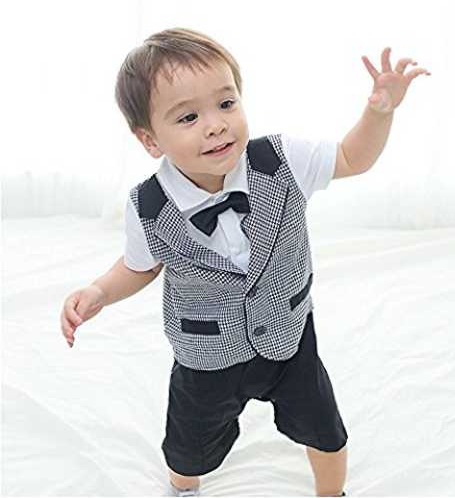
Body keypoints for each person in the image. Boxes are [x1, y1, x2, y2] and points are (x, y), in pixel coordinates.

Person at [60, 27, 430, 497]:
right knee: (188, 447)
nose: (216, 125)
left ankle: (331, 492)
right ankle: (183, 487)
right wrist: (99, 291)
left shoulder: (281, 159)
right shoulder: (148, 206)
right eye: (189, 116)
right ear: (150, 140)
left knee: (324, 428)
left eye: (226, 103)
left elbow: (351, 158)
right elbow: (139, 266)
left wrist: (379, 112)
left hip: (288, 335)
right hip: (206, 353)